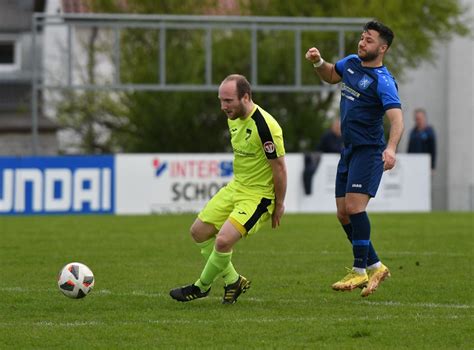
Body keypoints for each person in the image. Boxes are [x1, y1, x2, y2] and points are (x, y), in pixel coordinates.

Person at [305, 20, 404, 297]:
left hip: (369, 150)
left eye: (369, 40)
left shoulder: (383, 81)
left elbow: (397, 120)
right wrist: (318, 62)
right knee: (342, 213)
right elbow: (330, 75)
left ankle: (359, 271)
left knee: (354, 208)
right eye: (362, 37)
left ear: (382, 48)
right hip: (348, 149)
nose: (362, 43)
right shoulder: (350, 63)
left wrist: (392, 148)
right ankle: (375, 265)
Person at [169, 74, 287, 304]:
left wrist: (279, 204)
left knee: (223, 241)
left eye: (228, 101)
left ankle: (200, 287)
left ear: (245, 97)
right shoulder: (233, 117)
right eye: (221, 100)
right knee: (198, 231)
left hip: (259, 196)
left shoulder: (265, 126)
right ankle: (233, 280)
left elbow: (280, 168)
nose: (223, 107)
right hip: (236, 187)